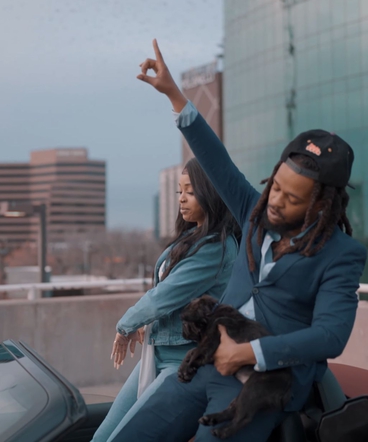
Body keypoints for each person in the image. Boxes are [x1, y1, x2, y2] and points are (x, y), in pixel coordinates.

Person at [110, 40, 368, 442]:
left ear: (321, 204)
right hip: (205, 364)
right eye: (276, 188)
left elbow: (330, 336)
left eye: (293, 198)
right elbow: (218, 163)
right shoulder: (254, 211)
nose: (277, 202)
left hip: (262, 387)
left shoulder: (342, 254)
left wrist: (248, 354)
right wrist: (175, 95)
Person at [91, 158, 240, 442]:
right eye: (179, 191)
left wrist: (126, 325)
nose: (181, 199)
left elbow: (166, 295)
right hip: (159, 352)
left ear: (212, 194)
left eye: (191, 192)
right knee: (103, 437)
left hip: (183, 362)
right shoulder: (192, 237)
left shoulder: (215, 248)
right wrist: (146, 326)